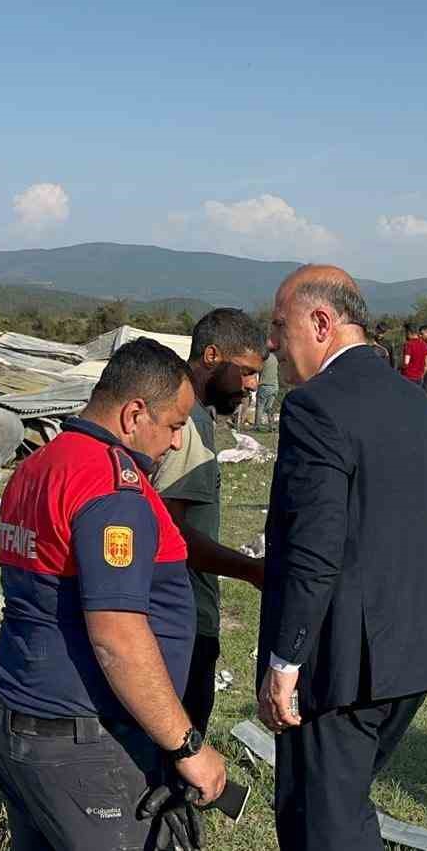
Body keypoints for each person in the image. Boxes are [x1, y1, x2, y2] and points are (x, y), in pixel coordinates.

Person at [0, 338, 227, 851]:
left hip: (18, 723)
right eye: (176, 425)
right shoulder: (111, 487)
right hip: (81, 740)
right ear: (136, 414)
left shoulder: (38, 467)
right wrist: (187, 746)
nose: (178, 443)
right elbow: (117, 636)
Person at [257, 265, 427, 851]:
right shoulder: (413, 400)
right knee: (343, 805)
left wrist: (286, 660)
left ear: (321, 322)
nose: (271, 342)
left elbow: (316, 546)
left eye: (277, 325)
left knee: (321, 826)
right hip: (408, 651)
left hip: (342, 664)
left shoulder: (316, 406)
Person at [152, 309, 267, 738]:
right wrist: (253, 570)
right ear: (213, 356)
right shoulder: (193, 424)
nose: (253, 386)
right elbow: (171, 533)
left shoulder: (185, 414)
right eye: (248, 373)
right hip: (183, 619)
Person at [254, 347, 280, 431]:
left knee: (260, 406)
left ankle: (257, 426)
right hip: (275, 386)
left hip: (265, 385)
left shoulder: (263, 359)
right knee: (269, 407)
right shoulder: (275, 358)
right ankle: (271, 426)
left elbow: (257, 369)